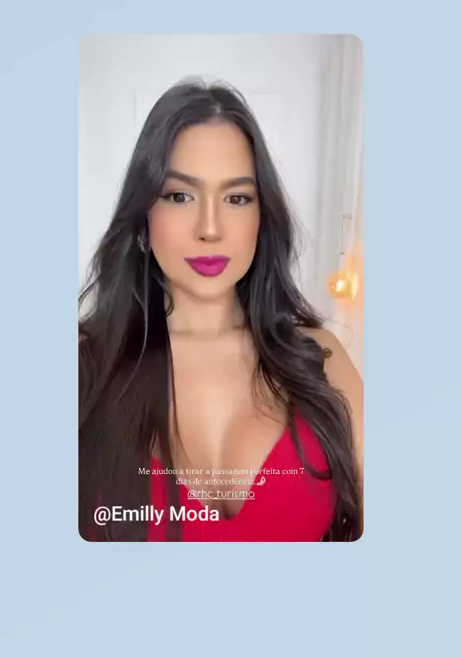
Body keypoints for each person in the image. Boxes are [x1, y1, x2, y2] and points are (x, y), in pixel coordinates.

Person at [79, 79, 363, 542]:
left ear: (261, 217)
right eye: (179, 196)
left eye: (237, 198)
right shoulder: (83, 365)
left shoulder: (324, 362)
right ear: (143, 218)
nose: (210, 229)